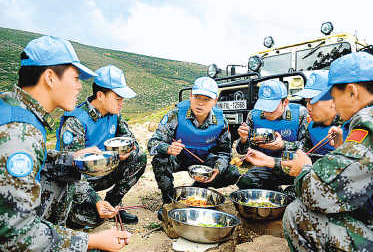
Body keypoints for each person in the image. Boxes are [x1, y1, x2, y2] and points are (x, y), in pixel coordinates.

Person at [0, 36, 130, 251]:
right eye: (76, 78)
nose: (80, 87)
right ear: (50, 77)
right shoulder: (20, 132)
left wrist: (72, 159)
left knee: (68, 169)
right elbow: (15, 234)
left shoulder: (14, 107)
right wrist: (91, 242)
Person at [282, 52, 373, 251]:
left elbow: (318, 193)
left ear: (352, 91)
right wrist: (343, 146)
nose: (333, 104)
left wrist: (303, 169)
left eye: (334, 96)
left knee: (299, 213)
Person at [44, 64, 146, 228]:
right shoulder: (76, 121)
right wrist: (95, 200)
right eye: (118, 98)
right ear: (100, 95)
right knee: (95, 218)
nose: (122, 104)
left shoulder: (114, 114)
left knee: (138, 157)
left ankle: (112, 204)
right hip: (76, 181)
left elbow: (129, 139)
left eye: (122, 99)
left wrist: (125, 151)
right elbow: (71, 171)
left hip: (101, 172)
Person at [147, 76, 240, 219]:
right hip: (178, 158)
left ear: (215, 101)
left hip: (204, 163)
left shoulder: (221, 121)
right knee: (160, 159)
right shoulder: (176, 115)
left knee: (232, 172)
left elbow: (224, 152)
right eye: (197, 97)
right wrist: (168, 148)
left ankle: (199, 188)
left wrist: (217, 169)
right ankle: (168, 201)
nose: (200, 103)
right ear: (190, 96)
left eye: (206, 99)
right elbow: (153, 143)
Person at [236, 79, 310, 190]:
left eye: (271, 107)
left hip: (293, 163)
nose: (266, 111)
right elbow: (242, 151)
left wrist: (283, 145)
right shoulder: (253, 115)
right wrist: (243, 140)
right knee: (245, 181)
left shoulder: (300, 114)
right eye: (264, 105)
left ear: (285, 102)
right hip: (266, 164)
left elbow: (307, 146)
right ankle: (275, 190)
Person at [291, 70, 348, 157]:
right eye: (307, 102)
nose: (308, 108)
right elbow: (304, 150)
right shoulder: (311, 126)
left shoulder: (353, 125)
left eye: (314, 101)